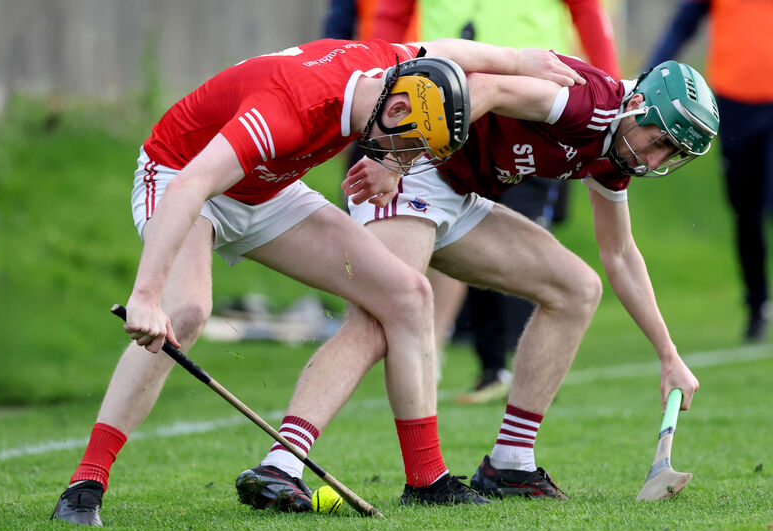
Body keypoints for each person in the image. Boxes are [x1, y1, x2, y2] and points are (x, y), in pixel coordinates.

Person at [50, 36, 585, 526]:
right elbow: (192, 184)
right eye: (410, 147)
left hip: (267, 190)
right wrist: (145, 296)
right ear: (397, 110)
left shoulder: (391, 71)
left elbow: (444, 49)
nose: (406, 162)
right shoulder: (287, 109)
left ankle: (428, 480)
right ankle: (85, 486)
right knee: (186, 312)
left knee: (408, 294)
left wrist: (520, 60)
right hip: (181, 178)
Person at [246, 55, 715, 507]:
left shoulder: (616, 154)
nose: (654, 161)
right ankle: (282, 462)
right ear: (637, 106)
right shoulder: (587, 105)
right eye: (658, 142)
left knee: (577, 288)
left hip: (458, 192)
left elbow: (621, 254)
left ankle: (510, 463)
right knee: (381, 319)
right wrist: (395, 159)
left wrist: (668, 355)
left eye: (670, 154)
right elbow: (484, 87)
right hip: (412, 165)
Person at [373, 0, 622, 404]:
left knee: (524, 243)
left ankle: (528, 372)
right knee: (462, 233)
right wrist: (375, 87)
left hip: (538, 106)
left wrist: (607, 96)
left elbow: (589, 14)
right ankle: (487, 366)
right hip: (440, 98)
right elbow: (391, 15)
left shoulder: (579, 113)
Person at [646, 0, 773, 342]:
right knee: (745, 210)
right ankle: (758, 302)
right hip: (735, 102)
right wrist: (650, 74)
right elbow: (683, 24)